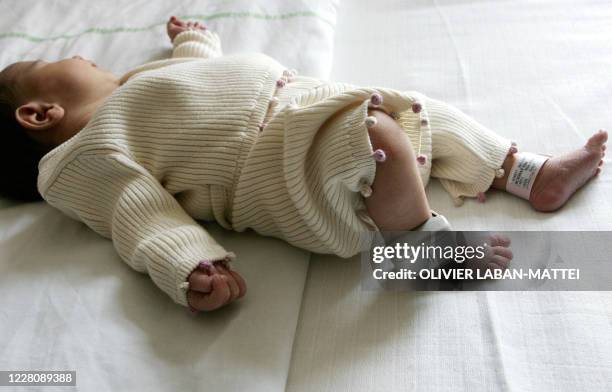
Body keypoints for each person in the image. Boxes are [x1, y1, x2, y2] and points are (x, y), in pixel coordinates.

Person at [0, 16, 606, 312]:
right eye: (57, 60)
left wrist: (194, 40)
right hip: (278, 170)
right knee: (383, 137)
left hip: (304, 111)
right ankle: (418, 252)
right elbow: (137, 212)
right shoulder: (82, 157)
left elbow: (192, 77)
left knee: (425, 115)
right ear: (39, 114)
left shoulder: (136, 80)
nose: (80, 52)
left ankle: (527, 171)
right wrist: (186, 266)